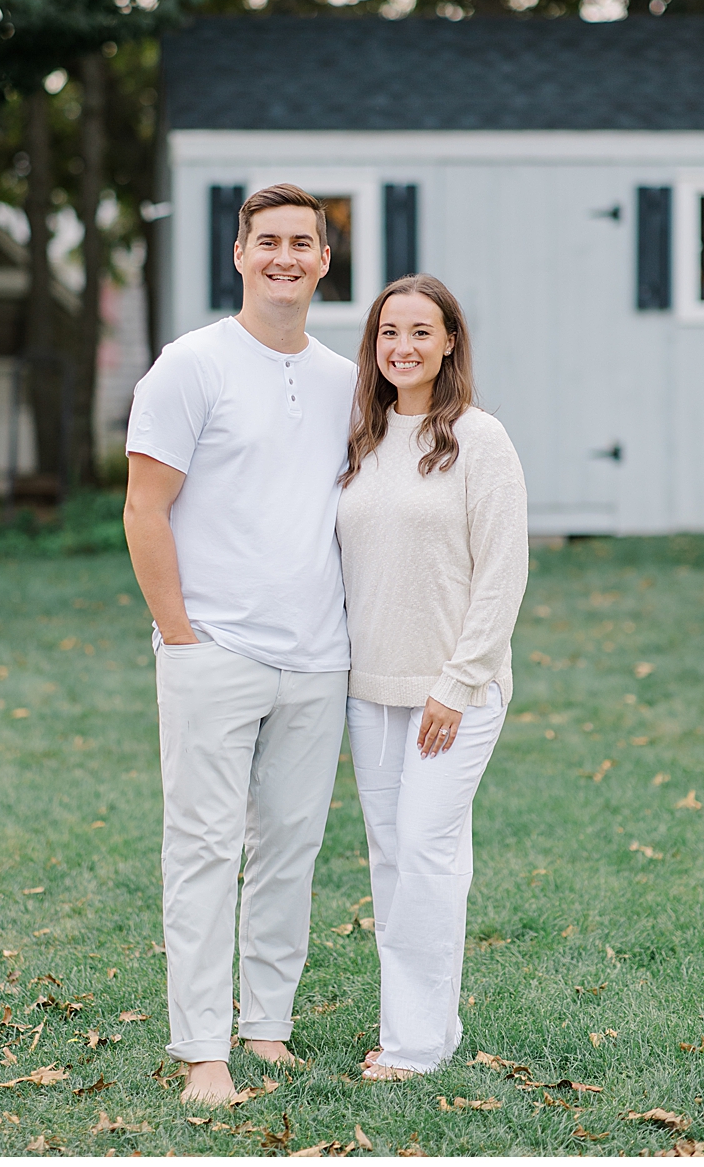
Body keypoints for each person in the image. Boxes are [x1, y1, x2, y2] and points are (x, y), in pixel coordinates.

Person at [123, 183, 357, 1105]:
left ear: (325, 261)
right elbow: (145, 508)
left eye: (303, 242)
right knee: (205, 848)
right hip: (213, 648)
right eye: (268, 242)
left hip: (318, 653)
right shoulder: (192, 366)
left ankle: (266, 1030)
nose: (285, 257)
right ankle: (203, 1052)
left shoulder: (344, 378)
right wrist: (181, 637)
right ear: (239, 255)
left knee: (291, 849)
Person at [333, 274, 528, 1080]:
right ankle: (427, 1028)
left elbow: (503, 571)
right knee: (395, 857)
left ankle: (413, 1047)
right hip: (368, 688)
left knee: (426, 848)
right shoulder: (362, 441)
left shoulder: (480, 440)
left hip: (455, 692)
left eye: (420, 331)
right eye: (388, 333)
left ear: (450, 341)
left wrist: (458, 681)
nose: (403, 347)